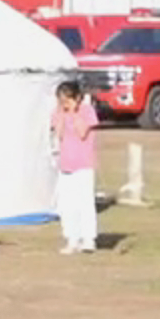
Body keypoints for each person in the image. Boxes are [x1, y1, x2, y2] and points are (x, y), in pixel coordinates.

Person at [51, 80, 101, 254]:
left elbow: (82, 132)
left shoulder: (87, 111)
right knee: (67, 204)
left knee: (85, 202)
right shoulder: (58, 112)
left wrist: (73, 113)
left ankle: (88, 239)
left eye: (67, 100)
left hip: (84, 164)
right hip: (66, 165)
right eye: (61, 100)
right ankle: (72, 238)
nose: (64, 104)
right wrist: (61, 115)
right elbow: (58, 135)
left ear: (77, 98)